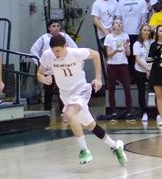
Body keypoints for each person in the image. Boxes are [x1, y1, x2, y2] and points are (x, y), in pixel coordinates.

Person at [35, 35, 127, 165]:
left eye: (58, 51)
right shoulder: (47, 55)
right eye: (54, 51)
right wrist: (43, 78)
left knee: (69, 114)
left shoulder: (76, 53)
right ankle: (115, 145)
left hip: (81, 89)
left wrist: (98, 78)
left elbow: (95, 55)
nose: (56, 54)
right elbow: (39, 73)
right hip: (65, 94)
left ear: (65, 46)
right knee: (90, 125)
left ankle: (84, 150)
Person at [102, 19, 132, 118]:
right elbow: (108, 55)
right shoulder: (109, 37)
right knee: (111, 89)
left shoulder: (125, 36)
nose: (119, 24)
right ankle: (113, 112)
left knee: (127, 88)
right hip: (112, 65)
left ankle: (129, 111)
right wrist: (116, 50)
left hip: (123, 64)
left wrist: (126, 47)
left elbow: (128, 53)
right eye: (116, 23)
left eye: (120, 23)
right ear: (113, 26)